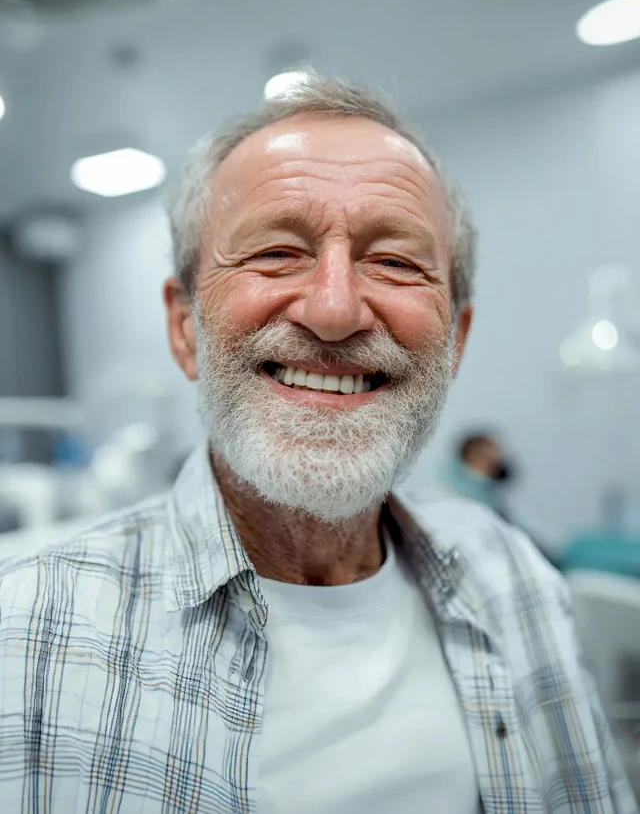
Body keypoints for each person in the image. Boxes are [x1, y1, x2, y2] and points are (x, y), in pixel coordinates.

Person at [0, 74, 635, 814]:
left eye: (396, 261)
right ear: (184, 327)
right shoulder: (25, 636)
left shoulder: (517, 582)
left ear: (455, 340)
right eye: (277, 251)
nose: (335, 309)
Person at [439, 431, 516, 522]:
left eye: (492, 448)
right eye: (480, 453)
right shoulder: (457, 502)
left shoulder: (499, 502)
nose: (491, 456)